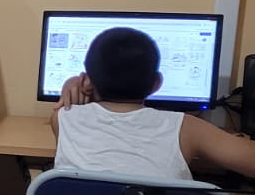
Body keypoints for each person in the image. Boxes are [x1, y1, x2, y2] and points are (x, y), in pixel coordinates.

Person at [53, 26, 255, 179]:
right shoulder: (186, 128)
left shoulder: (62, 119)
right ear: (157, 83)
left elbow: (78, 107)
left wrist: (74, 83)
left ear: (86, 82)